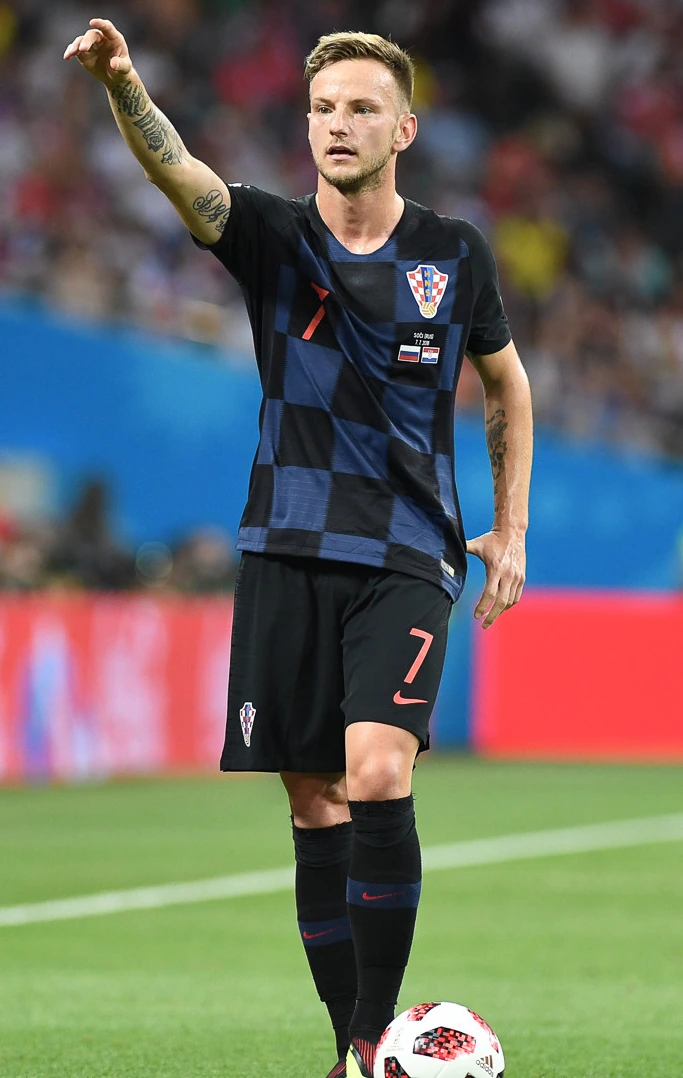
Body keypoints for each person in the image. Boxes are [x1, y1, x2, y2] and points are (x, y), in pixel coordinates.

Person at [64, 20, 533, 1078]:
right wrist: (123, 83)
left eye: (361, 107)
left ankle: (373, 1041)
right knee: (314, 799)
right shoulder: (273, 236)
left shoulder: (451, 253)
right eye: (323, 108)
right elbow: (182, 175)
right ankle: (352, 1050)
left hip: (407, 549)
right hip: (284, 545)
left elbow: (504, 381)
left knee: (376, 770)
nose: (337, 124)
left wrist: (507, 525)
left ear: (403, 127)